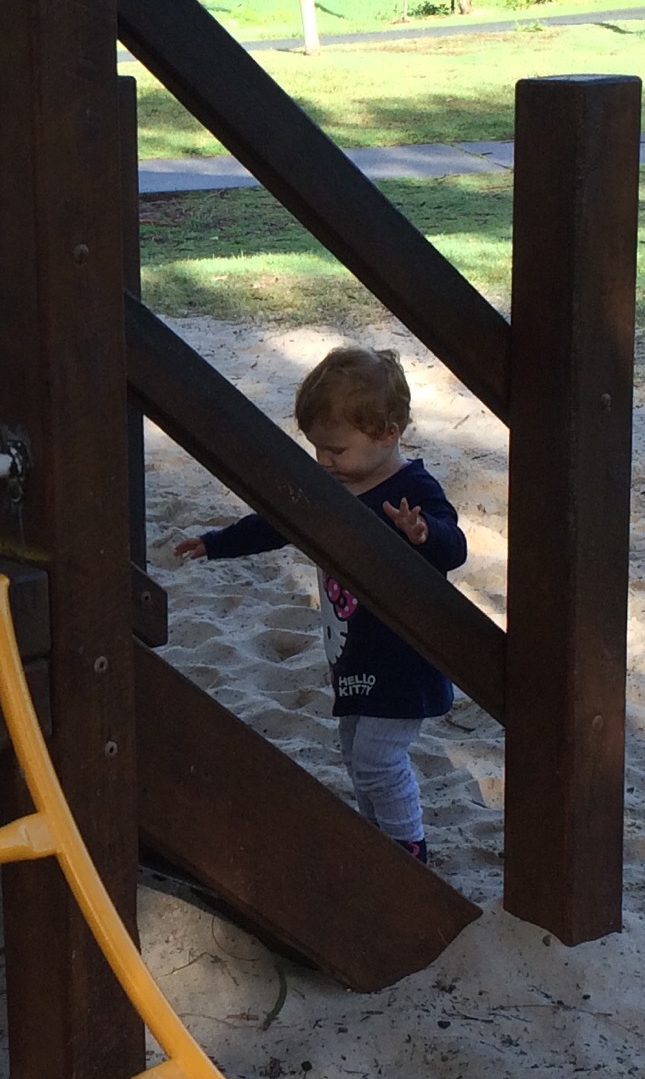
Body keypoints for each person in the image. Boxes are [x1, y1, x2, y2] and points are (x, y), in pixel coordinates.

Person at [173, 346, 467, 865]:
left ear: (387, 433)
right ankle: (382, 843)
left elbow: (454, 546)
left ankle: (408, 850)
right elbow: (277, 521)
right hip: (354, 653)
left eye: (336, 450)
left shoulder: (411, 488)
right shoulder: (332, 485)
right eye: (317, 450)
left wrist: (423, 534)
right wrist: (217, 543)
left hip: (405, 654)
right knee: (356, 754)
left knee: (379, 757)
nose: (325, 462)